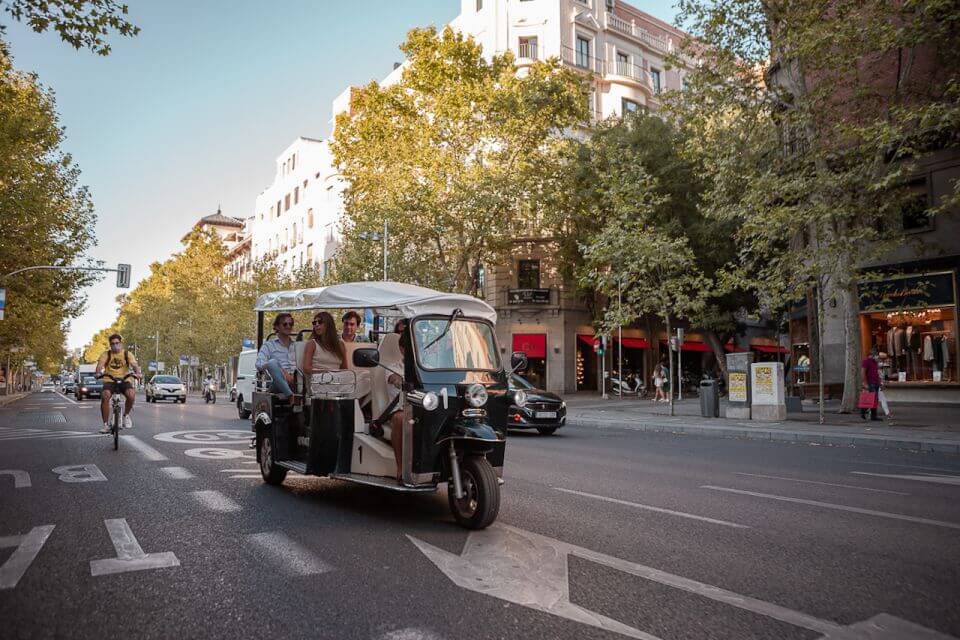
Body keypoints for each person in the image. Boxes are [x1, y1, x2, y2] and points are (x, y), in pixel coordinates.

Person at [96, 333, 142, 433]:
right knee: (105, 396)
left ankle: (126, 415)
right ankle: (105, 425)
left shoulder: (127, 354)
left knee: (131, 395)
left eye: (117, 343)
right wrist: (98, 372)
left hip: (125, 379)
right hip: (110, 380)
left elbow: (134, 364)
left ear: (121, 343)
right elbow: (100, 365)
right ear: (110, 345)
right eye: (112, 344)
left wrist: (138, 373)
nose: (115, 345)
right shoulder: (106, 354)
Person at [256, 313, 296, 400]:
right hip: (277, 382)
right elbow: (259, 363)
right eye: (285, 324)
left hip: (297, 380)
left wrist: (292, 377)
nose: (288, 326)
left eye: (291, 324)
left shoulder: (297, 345)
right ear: (277, 327)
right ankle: (290, 396)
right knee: (272, 362)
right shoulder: (269, 345)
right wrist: (280, 371)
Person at [303, 311, 348, 378]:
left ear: (328, 324)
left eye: (320, 322)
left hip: (337, 379)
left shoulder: (340, 344)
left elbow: (344, 368)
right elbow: (306, 368)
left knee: (363, 375)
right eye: (314, 323)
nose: (316, 325)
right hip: (319, 379)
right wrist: (327, 372)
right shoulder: (312, 344)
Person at [861, 349, 882, 421]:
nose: (877, 357)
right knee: (872, 399)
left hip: (875, 382)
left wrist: (879, 382)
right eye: (876, 356)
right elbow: (863, 372)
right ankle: (864, 411)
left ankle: (872, 415)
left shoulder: (875, 362)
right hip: (870, 382)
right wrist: (865, 383)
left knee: (875, 399)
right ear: (872, 355)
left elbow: (876, 373)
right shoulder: (866, 361)